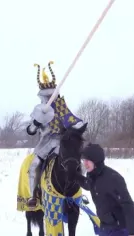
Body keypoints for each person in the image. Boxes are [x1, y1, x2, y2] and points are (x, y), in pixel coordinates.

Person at [26, 62, 84, 207]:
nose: (49, 96)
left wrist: (79, 126)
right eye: (47, 95)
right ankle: (34, 195)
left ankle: (78, 192)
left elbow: (72, 120)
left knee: (78, 163)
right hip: (46, 142)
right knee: (34, 165)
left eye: (51, 93)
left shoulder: (60, 105)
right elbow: (31, 131)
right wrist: (36, 123)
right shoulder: (39, 109)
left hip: (63, 141)